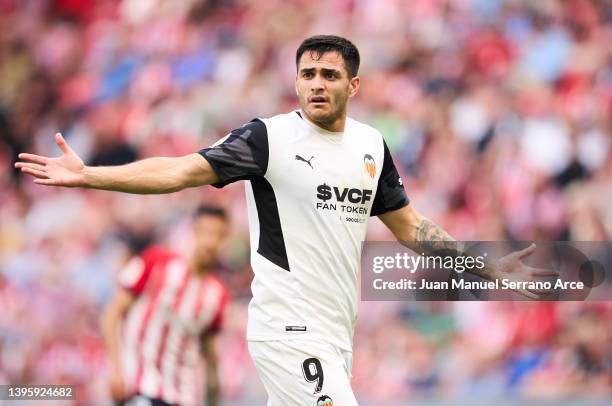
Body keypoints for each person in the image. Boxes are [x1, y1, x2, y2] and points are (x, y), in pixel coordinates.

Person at [16, 35, 554, 405]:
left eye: (329, 75)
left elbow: (410, 226)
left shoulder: (370, 145)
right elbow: (180, 170)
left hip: (337, 334)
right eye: (307, 74)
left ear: (354, 85)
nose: (316, 84)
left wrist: (483, 269)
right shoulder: (267, 139)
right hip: (287, 329)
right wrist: (91, 175)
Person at [99, 206, 230, 406]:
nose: (210, 242)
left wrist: (213, 399)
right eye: (205, 232)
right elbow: (112, 314)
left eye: (218, 235)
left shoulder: (217, 293)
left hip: (183, 397)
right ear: (192, 232)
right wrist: (116, 369)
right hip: (141, 388)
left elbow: (210, 357)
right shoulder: (157, 261)